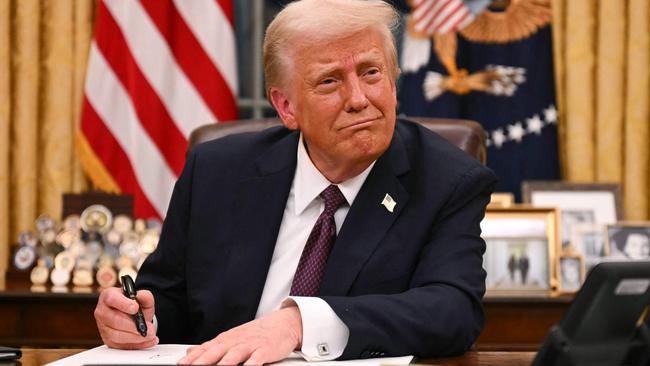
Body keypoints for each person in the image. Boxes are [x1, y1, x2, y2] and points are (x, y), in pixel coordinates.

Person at [93, 0, 497, 364]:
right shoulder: (217, 171)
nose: (359, 98)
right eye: (330, 81)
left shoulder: (447, 180)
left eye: (371, 72)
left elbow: (453, 311)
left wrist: (298, 324)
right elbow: (166, 297)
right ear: (286, 107)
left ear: (392, 83)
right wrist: (137, 319)